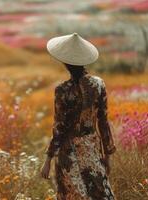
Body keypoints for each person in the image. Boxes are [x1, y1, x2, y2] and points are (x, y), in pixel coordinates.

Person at [41, 33, 117, 200]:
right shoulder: (98, 85)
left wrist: (48, 159)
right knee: (100, 193)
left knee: (73, 195)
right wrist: (108, 155)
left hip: (69, 152)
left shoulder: (62, 90)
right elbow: (103, 121)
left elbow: (59, 127)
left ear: (64, 62)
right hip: (91, 149)